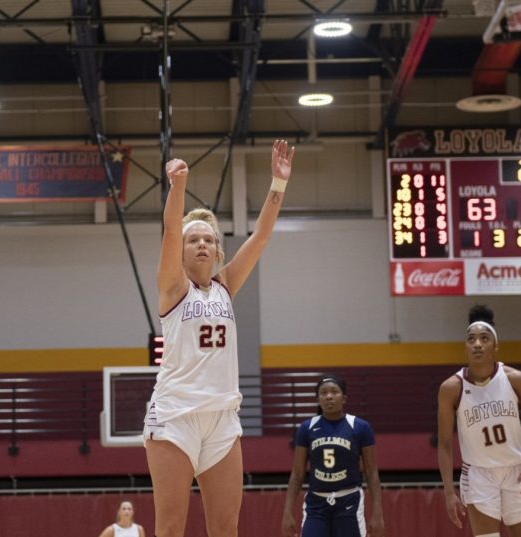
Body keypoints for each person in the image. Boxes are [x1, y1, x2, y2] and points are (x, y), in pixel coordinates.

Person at [143, 139, 294, 537]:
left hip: (223, 416)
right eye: (194, 240)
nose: (202, 244)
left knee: (226, 528)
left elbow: (260, 236)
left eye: (209, 240)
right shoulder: (173, 287)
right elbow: (172, 227)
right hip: (176, 414)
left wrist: (278, 184)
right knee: (171, 527)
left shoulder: (226, 286)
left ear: (217, 252)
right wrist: (178, 186)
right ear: (181, 251)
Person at [437, 305, 521, 537]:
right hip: (479, 474)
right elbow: (445, 444)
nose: (477, 344)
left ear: (495, 346)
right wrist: (449, 492)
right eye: (471, 339)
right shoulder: (451, 388)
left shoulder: (515, 380)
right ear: (466, 347)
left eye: (484, 338)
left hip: (517, 470)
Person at [281, 376, 384, 537]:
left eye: (334, 392)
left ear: (344, 398)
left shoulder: (360, 427)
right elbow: (297, 474)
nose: (329, 396)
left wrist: (378, 515)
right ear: (318, 399)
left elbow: (371, 473)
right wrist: (287, 513)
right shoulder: (306, 428)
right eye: (323, 393)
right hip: (316, 504)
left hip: (349, 501)